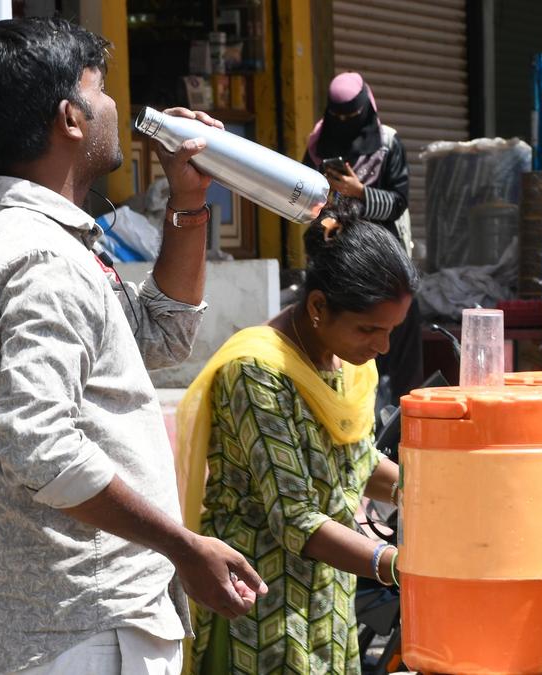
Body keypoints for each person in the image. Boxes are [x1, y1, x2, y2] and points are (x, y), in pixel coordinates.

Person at [0, 17, 266, 674]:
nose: (120, 109)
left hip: (70, 622)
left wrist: (189, 204)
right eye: (101, 89)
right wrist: (183, 544)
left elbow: (156, 338)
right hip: (83, 628)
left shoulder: (37, 243)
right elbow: (40, 445)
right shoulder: (40, 259)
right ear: (70, 118)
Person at [176, 200, 418, 673]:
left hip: (328, 602)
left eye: (391, 331)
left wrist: (433, 489)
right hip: (261, 610)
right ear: (318, 308)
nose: (383, 347)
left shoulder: (341, 363)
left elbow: (358, 462)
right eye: (369, 329)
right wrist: (400, 566)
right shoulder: (257, 372)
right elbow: (296, 520)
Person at [303, 72, 422, 409]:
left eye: (351, 117)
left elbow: (398, 202)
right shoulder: (317, 145)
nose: (345, 125)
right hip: (339, 269)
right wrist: (327, 205)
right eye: (338, 118)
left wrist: (358, 193)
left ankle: (401, 429)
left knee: (397, 362)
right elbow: (301, 200)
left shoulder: (387, 144)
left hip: (387, 266)